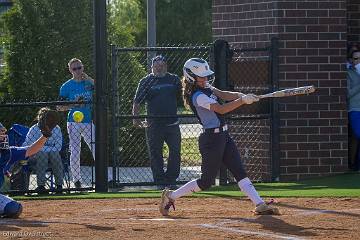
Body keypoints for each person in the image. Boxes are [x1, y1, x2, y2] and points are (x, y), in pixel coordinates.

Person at [159, 58, 279, 216]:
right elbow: (221, 109)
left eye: (206, 76)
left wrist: (243, 95)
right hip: (211, 141)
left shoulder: (207, 86)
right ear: (191, 77)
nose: (206, 79)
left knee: (239, 171)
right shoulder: (197, 96)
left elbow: (223, 94)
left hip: (223, 136)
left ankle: (259, 204)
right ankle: (171, 196)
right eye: (202, 77)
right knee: (206, 182)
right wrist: (242, 101)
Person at [132, 55, 182, 188]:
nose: (159, 68)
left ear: (166, 66)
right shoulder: (146, 81)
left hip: (172, 124)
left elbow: (184, 95)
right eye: (156, 66)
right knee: (155, 153)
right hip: (154, 125)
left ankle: (171, 180)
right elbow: (137, 102)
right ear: (152, 67)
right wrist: (136, 119)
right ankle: (159, 181)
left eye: (162, 66)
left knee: (175, 152)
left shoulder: (174, 79)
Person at [0, 120, 54, 218]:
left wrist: (45, 135)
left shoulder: (8, 153)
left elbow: (31, 149)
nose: (4, 137)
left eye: (3, 133)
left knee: (15, 208)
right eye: (1, 134)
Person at [58, 58, 95, 189]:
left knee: (96, 148)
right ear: (70, 70)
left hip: (88, 121)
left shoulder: (89, 83)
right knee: (75, 150)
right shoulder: (66, 86)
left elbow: (102, 89)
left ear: (83, 68)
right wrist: (75, 104)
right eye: (74, 69)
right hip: (73, 122)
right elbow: (60, 108)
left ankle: (105, 178)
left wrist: (89, 78)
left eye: (79, 68)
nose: (77, 71)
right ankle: (77, 180)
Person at [23, 108, 64, 192]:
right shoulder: (34, 129)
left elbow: (58, 146)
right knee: (43, 154)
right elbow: (29, 146)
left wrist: (45, 149)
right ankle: (41, 186)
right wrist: (46, 150)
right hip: (34, 156)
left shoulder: (57, 128)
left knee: (54, 154)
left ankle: (59, 186)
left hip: (52, 155)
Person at [347, 50, 360, 171]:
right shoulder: (348, 73)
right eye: (356, 59)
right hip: (355, 109)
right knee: (357, 135)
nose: (358, 61)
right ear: (351, 60)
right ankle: (353, 163)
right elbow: (348, 93)